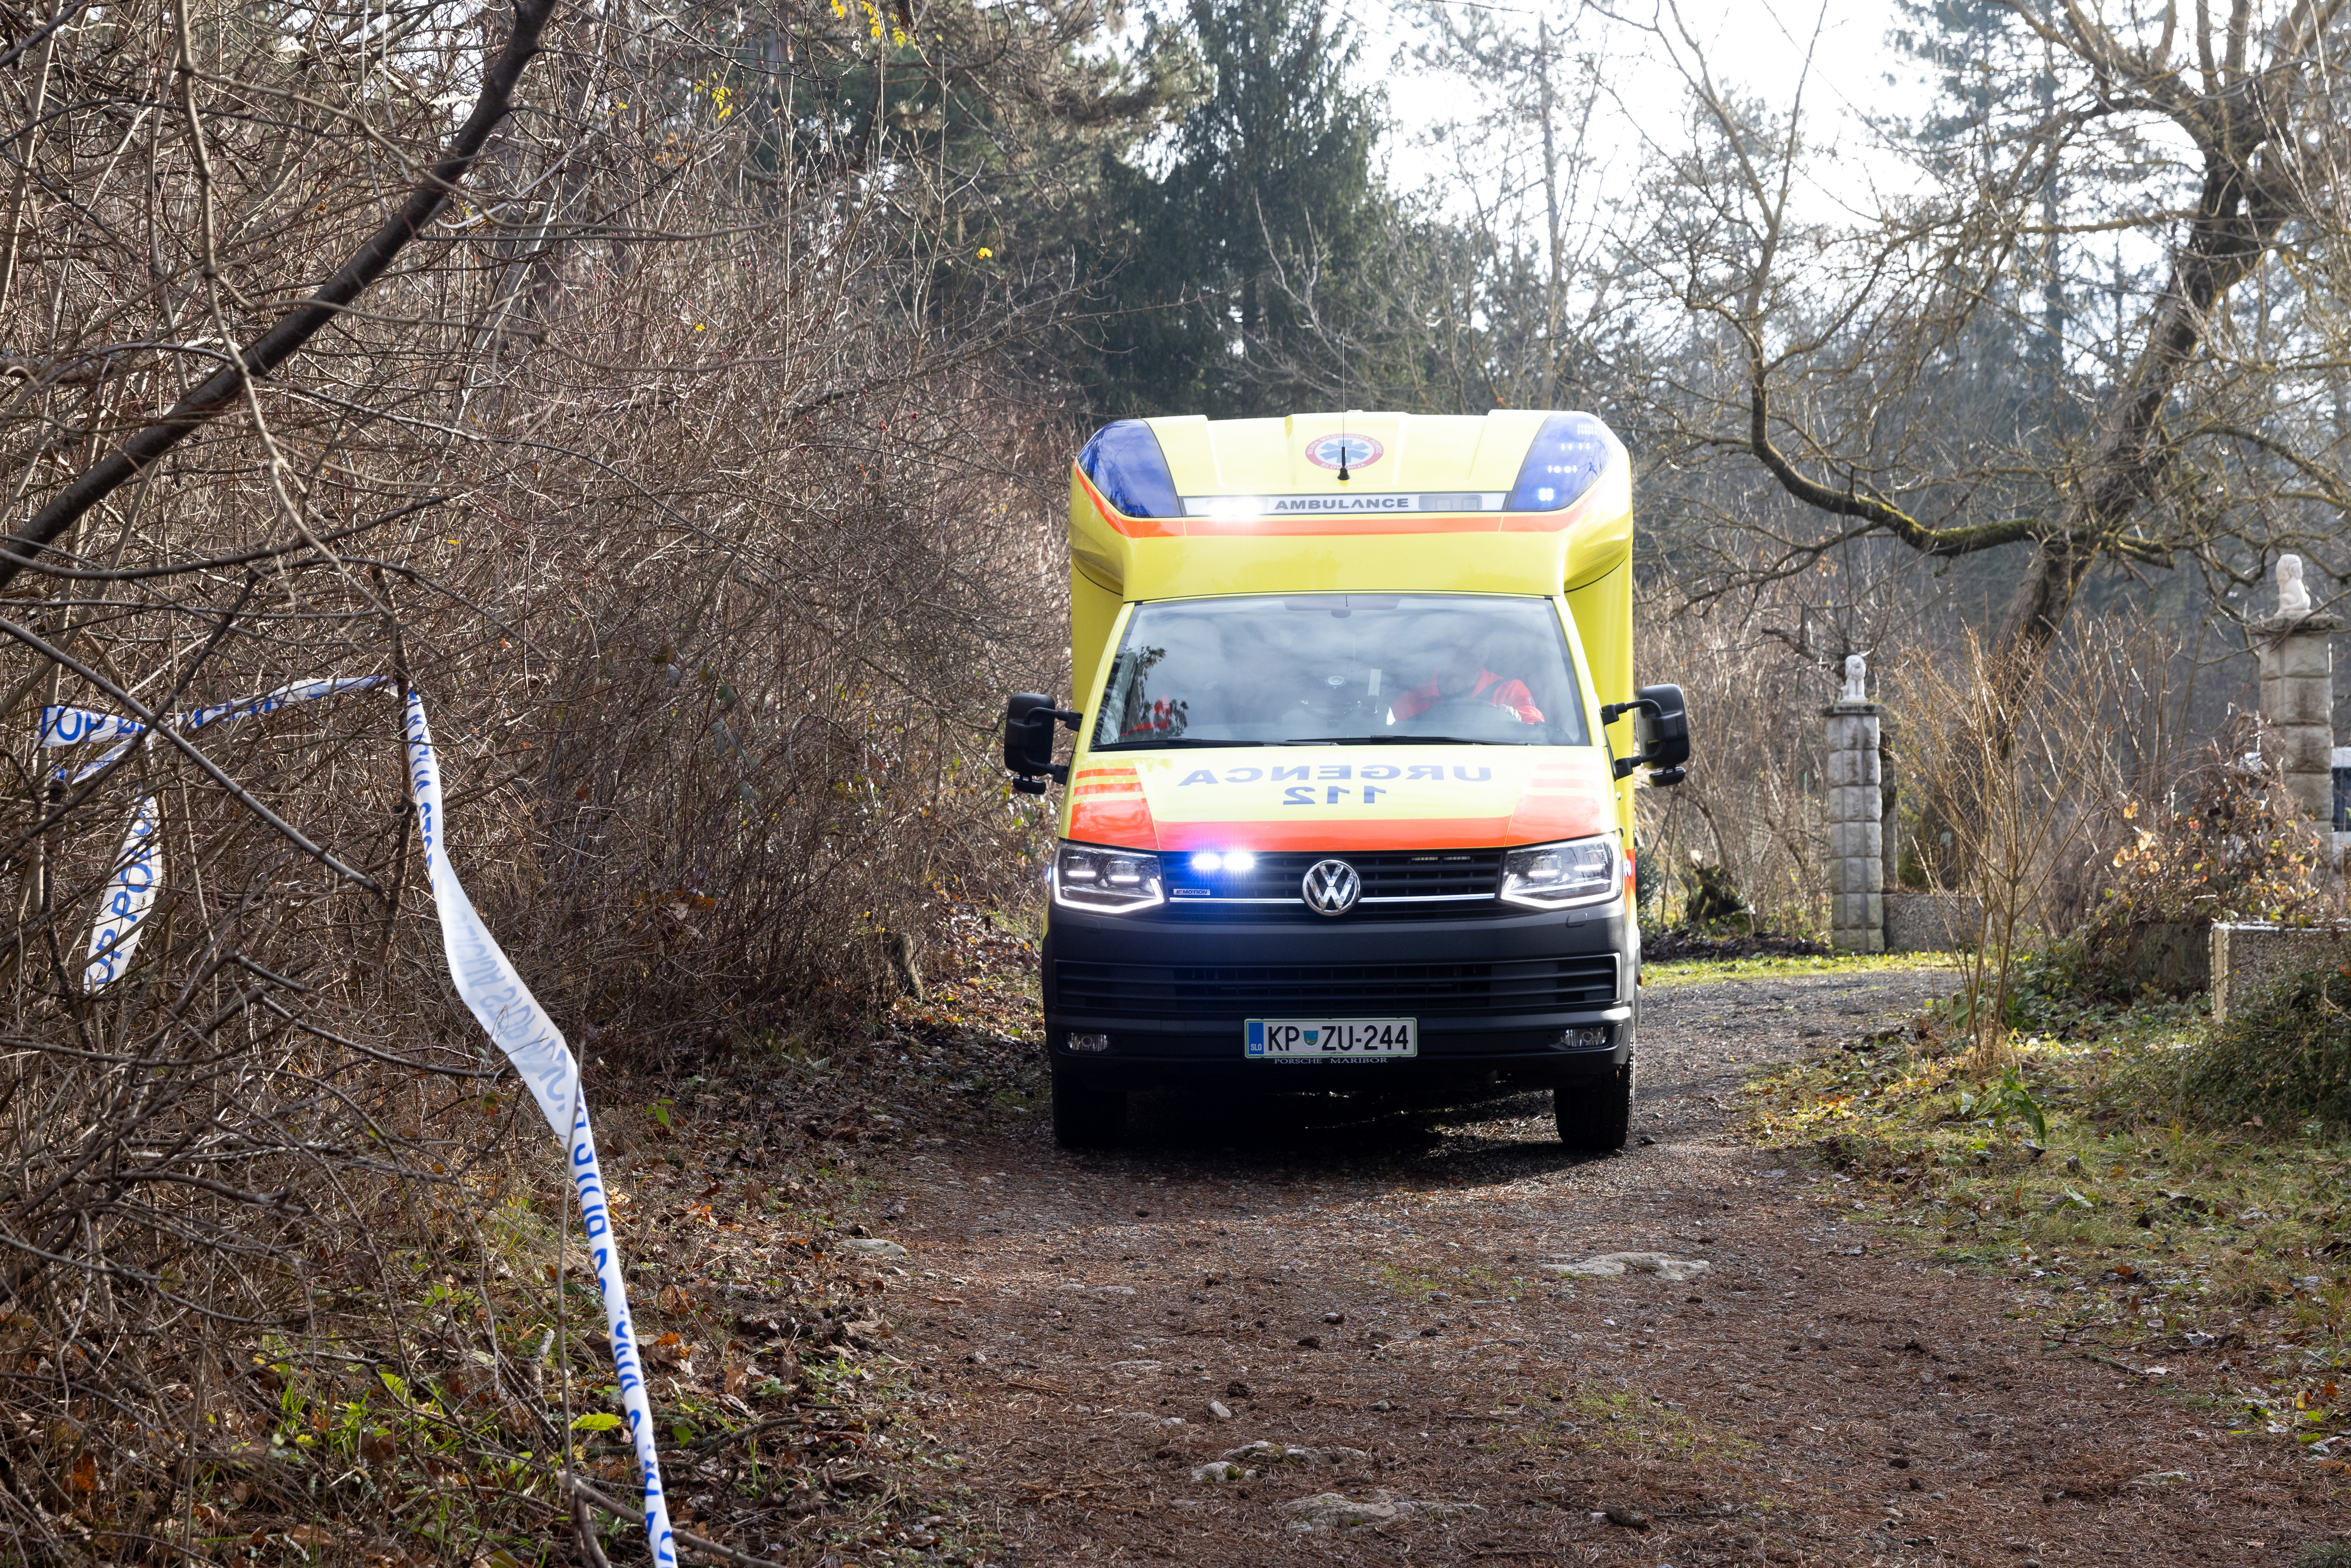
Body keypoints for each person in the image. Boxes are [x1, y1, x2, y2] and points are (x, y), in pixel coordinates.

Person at [1390, 629, 1544, 725]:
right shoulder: (1412, 700)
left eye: (1483, 639)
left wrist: (1515, 722)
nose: (1478, 648)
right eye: (1469, 640)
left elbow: (1536, 734)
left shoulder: (1509, 691)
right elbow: (1388, 743)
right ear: (1447, 645)